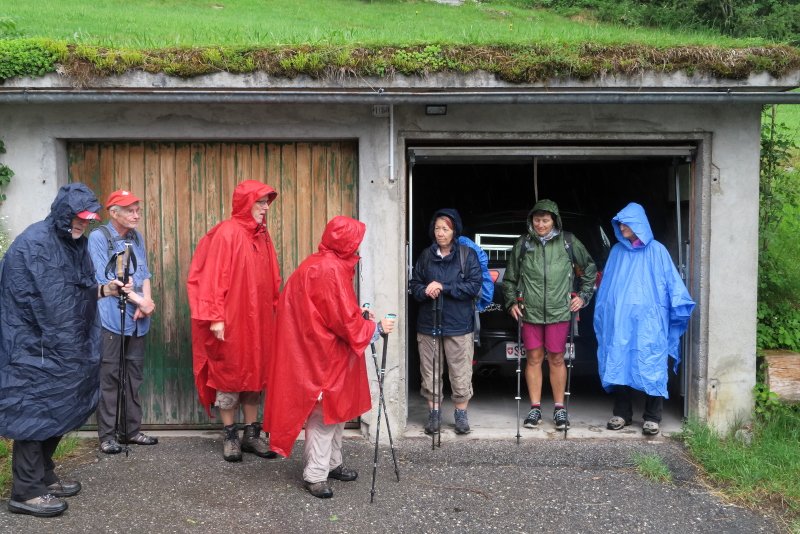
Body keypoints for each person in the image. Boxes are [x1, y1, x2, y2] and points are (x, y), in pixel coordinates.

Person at [0, 183, 127, 517]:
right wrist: (55, 340)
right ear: (62, 213)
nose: (82, 225)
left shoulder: (74, 244)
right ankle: (25, 492)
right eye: (78, 218)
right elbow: (30, 301)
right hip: (33, 348)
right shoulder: (34, 244)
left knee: (61, 406)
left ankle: (42, 474)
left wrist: (106, 289)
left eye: (87, 220)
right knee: (34, 411)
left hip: (67, 344)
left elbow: (77, 292)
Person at [263, 216, 396, 499]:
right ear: (346, 242)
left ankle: (332, 463)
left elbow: (333, 309)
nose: (359, 246)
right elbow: (341, 320)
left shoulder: (318, 263)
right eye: (356, 241)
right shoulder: (330, 269)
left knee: (334, 411)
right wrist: (374, 328)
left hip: (314, 347)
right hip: (322, 354)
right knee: (324, 414)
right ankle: (315, 475)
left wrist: (357, 313)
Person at [187, 180, 281, 462]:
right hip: (232, 320)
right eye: (260, 201)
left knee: (255, 376)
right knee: (228, 376)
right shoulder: (227, 233)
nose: (266, 207)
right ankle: (230, 434)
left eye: (267, 202)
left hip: (260, 319)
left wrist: (277, 309)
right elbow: (212, 276)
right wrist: (215, 316)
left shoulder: (262, 235)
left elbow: (272, 276)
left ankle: (252, 434)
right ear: (246, 202)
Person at [594, 202, 695, 436]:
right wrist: (606, 314)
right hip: (621, 321)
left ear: (638, 224)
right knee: (620, 360)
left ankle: (652, 417)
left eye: (625, 222)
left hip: (650, 321)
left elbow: (671, 283)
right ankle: (622, 413)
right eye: (619, 223)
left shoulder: (657, 251)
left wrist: (678, 304)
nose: (621, 226)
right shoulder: (617, 252)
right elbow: (607, 289)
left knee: (652, 363)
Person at [502, 199, 597, 431]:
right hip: (531, 312)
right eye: (537, 220)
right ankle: (535, 408)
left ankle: (559, 409)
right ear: (531, 220)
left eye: (545, 220)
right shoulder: (523, 244)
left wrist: (583, 297)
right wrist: (511, 301)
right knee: (533, 359)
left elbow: (589, 270)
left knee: (556, 358)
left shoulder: (568, 242)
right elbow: (510, 279)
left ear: (554, 220)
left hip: (559, 312)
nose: (541, 224)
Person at [89, 190, 158, 454]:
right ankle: (107, 436)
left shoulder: (136, 237)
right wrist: (141, 301)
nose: (136, 214)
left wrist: (147, 302)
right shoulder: (98, 238)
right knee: (110, 378)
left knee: (134, 377)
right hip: (111, 319)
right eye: (130, 210)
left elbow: (145, 273)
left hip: (138, 319)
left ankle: (131, 431)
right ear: (113, 212)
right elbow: (106, 280)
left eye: (137, 209)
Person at [409, 208, 482, 436]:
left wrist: (444, 287)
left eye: (445, 229)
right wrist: (425, 290)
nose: (440, 233)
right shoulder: (425, 255)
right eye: (437, 228)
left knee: (460, 371)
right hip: (428, 323)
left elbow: (474, 286)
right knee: (430, 371)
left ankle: (461, 414)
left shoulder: (466, 255)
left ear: (454, 231)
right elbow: (414, 285)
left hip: (458, 324)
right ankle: (434, 414)